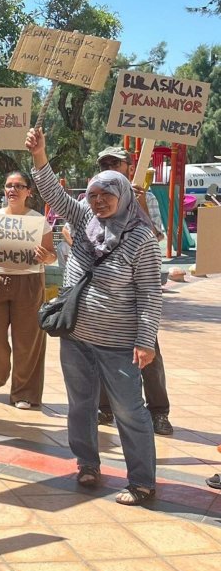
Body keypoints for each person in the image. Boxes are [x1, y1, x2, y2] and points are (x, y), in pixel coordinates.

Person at [26, 125, 160, 506]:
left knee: (129, 411)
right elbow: (53, 193)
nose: (98, 201)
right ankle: (87, 464)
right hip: (76, 337)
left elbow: (150, 294)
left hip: (119, 344)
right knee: (80, 405)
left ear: (123, 196)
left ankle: (142, 481)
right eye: (94, 194)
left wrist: (145, 341)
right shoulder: (84, 217)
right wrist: (40, 155)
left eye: (107, 195)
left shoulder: (141, 238)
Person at [93, 146, 173, 436]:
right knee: (100, 350)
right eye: (106, 164)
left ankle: (159, 412)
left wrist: (138, 205)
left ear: (130, 167)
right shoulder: (91, 197)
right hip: (105, 291)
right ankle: (104, 407)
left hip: (138, 291)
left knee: (148, 351)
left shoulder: (146, 198)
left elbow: (155, 237)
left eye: (117, 163)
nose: (112, 167)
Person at [0, 171, 56, 408]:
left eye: (18, 186)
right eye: (8, 185)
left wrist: (47, 257)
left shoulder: (38, 221)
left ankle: (24, 393)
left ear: (28, 192)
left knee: (28, 340)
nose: (12, 190)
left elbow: (51, 256)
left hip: (29, 283)